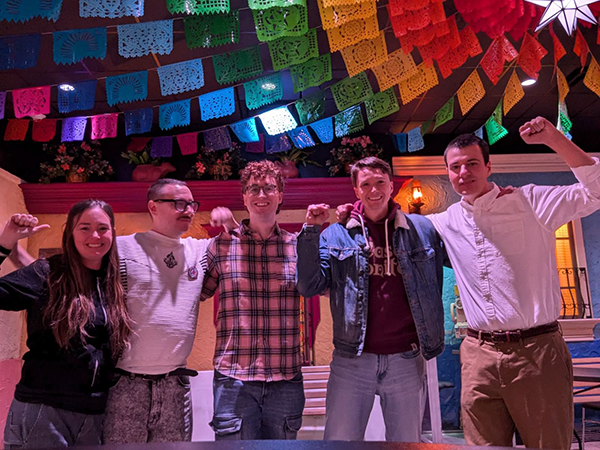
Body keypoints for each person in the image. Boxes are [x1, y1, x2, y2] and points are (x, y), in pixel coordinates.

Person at [426, 116, 600, 449]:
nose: (464, 173)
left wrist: (554, 139)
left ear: (489, 167)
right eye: (455, 167)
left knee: (548, 444)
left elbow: (596, 190)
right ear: (448, 173)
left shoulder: (530, 201)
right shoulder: (445, 221)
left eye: (472, 164)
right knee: (483, 447)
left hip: (537, 351)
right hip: (477, 353)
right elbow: (395, 230)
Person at [296, 156, 446, 442]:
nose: (374, 190)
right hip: (352, 360)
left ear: (391, 186)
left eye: (380, 183)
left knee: (407, 444)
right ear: (356, 190)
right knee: (340, 444)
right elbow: (309, 285)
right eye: (366, 184)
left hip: (406, 358)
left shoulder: (421, 229)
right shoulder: (336, 234)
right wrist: (312, 232)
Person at [103, 178, 235, 444]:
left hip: (176, 384)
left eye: (191, 204)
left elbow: (244, 247)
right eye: (178, 204)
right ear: (153, 206)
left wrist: (230, 225)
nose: (188, 210)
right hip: (124, 383)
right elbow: (69, 273)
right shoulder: (121, 247)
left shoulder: (199, 249)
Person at [0, 201, 132, 449]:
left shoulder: (111, 281)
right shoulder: (46, 273)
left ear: (113, 233)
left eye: (102, 228)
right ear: (70, 233)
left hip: (94, 415)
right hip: (44, 411)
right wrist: (4, 244)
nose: (95, 235)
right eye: (84, 227)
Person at [200, 160, 305, 440]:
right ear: (244, 196)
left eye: (269, 188)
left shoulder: (297, 247)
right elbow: (196, 292)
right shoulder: (221, 245)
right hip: (234, 379)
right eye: (254, 189)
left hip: (285, 379)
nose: (261, 195)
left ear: (280, 196)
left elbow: (325, 287)